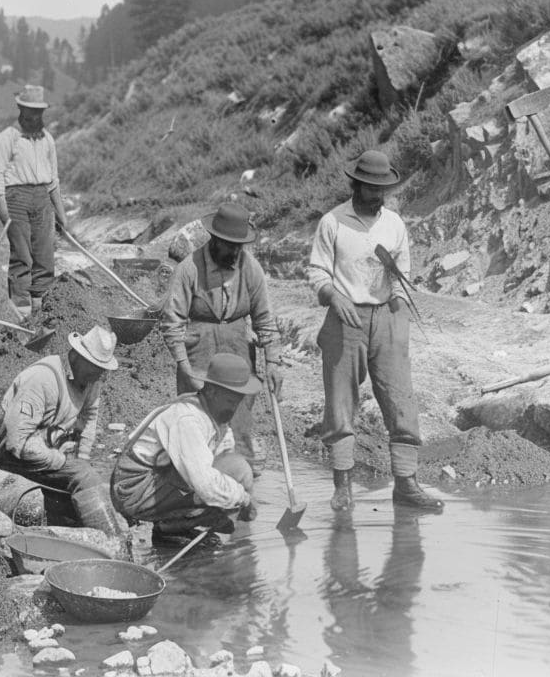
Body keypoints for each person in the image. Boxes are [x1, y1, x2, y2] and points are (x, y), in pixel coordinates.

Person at [306, 149, 442, 513]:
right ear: (356, 184)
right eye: (370, 188)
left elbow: (403, 270)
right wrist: (333, 296)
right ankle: (342, 487)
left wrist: (398, 305)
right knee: (340, 402)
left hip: (386, 317)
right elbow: (317, 272)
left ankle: (407, 484)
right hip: (343, 317)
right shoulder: (332, 222)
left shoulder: (395, 224)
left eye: (383, 189)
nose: (377, 195)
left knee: (401, 399)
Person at [160, 201, 283, 465]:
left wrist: (273, 362)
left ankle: (240, 490)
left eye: (239, 246)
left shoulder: (250, 268)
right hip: (199, 353)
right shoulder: (189, 269)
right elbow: (172, 322)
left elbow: (265, 319)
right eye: (229, 245)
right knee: (196, 426)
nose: (235, 251)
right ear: (215, 239)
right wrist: (184, 367)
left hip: (238, 351)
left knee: (238, 427)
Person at [111, 352, 258, 547]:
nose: (234, 408)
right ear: (213, 391)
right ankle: (171, 526)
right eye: (231, 401)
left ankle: (177, 523)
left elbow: (224, 455)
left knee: (238, 471)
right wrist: (243, 499)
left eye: (237, 401)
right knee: (228, 482)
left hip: (158, 481)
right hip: (132, 491)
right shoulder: (187, 419)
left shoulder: (214, 412)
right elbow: (206, 485)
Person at [0, 326, 124, 534]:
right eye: (94, 368)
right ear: (76, 356)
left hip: (49, 452)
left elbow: (89, 417)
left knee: (85, 491)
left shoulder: (91, 380)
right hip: (16, 459)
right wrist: (67, 465)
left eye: (101, 370)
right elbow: (17, 444)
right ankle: (115, 546)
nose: (98, 376)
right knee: (85, 477)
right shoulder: (41, 379)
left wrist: (82, 458)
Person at [0, 84, 68, 321]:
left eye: (39, 112)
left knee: (45, 255)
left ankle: (42, 310)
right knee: (23, 257)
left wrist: (61, 214)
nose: (35, 116)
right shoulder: (7, 138)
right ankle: (21, 315)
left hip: (42, 198)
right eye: (30, 111)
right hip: (16, 199)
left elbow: (53, 180)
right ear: (21, 109)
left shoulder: (47, 140)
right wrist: (3, 212)